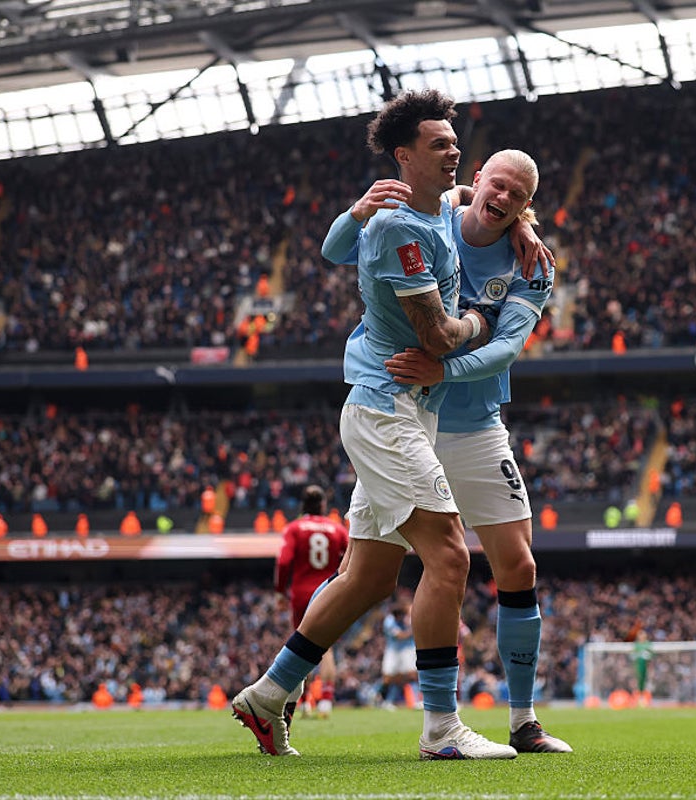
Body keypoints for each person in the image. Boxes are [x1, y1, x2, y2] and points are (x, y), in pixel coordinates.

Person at [232, 88, 515, 760]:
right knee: (449, 555)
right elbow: (438, 336)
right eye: (439, 144)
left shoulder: (433, 205)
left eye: (455, 142)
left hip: (398, 409)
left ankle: (268, 695)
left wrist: (521, 224)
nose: (454, 152)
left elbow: (467, 203)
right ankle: (442, 729)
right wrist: (483, 321)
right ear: (403, 156)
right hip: (387, 410)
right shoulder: (398, 228)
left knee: (368, 577)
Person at [322, 148, 571, 753]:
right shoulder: (431, 218)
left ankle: (523, 720)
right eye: (497, 184)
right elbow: (340, 249)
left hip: (476, 424)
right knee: (365, 575)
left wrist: (445, 370)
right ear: (477, 179)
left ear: (527, 206)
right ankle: (279, 686)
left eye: (518, 196)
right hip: (407, 418)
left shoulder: (532, 263)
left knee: (520, 566)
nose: (503, 198)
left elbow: (507, 346)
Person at [274, 485, 349, 720]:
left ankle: (305, 702)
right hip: (329, 590)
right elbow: (352, 555)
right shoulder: (336, 529)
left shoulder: (294, 528)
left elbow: (283, 562)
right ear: (323, 505)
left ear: (303, 505)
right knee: (326, 648)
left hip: (301, 593)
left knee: (301, 646)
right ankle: (325, 702)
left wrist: (280, 592)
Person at [380, 597, 417, 708]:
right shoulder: (389, 621)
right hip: (393, 651)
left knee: (412, 674)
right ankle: (385, 700)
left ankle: (416, 700)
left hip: (408, 649)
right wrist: (414, 629)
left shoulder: (409, 618)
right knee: (388, 677)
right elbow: (400, 636)